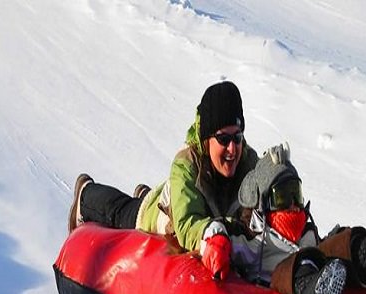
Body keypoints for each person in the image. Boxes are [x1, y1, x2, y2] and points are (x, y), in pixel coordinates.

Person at [67, 81, 259, 277]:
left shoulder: (249, 163)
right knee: (121, 212)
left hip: (173, 200)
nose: (232, 149)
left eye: (237, 137)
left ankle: (144, 193)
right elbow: (186, 223)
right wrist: (210, 234)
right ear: (206, 139)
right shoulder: (186, 164)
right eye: (223, 139)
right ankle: (86, 196)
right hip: (160, 218)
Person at [229, 144, 366, 294]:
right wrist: (216, 239)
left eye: (296, 194)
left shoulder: (306, 231)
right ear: (263, 204)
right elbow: (220, 235)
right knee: (296, 265)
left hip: (315, 266)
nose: (293, 204)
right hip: (276, 292)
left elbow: (325, 250)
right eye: (283, 197)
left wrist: (342, 243)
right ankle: (310, 292)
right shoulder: (253, 240)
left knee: (335, 244)